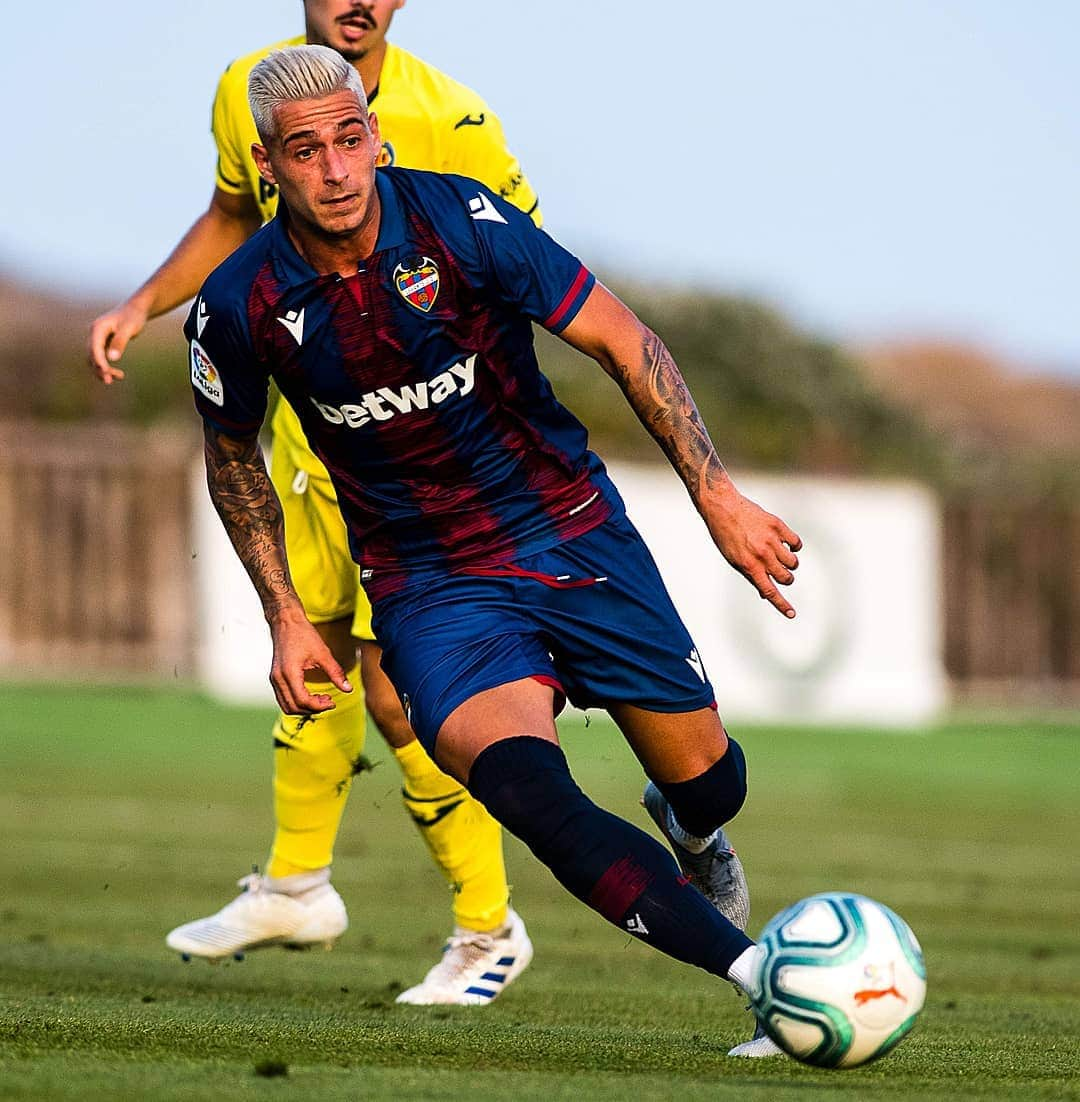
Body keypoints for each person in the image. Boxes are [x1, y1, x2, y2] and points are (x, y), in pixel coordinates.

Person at [190, 45, 800, 1055]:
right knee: (530, 794)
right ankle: (764, 979)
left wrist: (715, 493)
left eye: (351, 140)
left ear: (375, 137)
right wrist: (286, 613)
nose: (337, 169)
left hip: (569, 529)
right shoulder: (239, 305)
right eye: (307, 151)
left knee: (708, 780)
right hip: (431, 588)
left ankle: (691, 826)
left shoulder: (462, 225)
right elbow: (230, 457)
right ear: (269, 164)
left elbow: (620, 336)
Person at [88, 0, 543, 1005]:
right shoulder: (247, 91)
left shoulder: (455, 120)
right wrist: (140, 303)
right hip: (305, 440)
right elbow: (229, 218)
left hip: (415, 458)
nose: (358, 0)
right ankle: (298, 881)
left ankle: (487, 927)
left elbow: (517, 260)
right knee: (313, 657)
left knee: (398, 690)